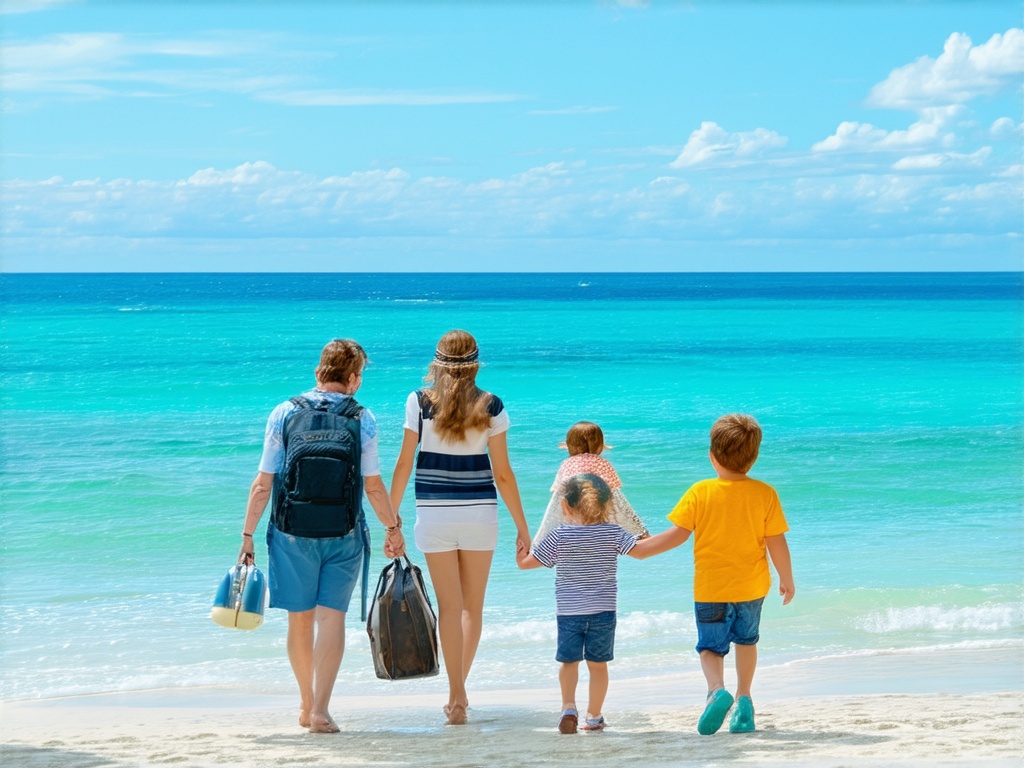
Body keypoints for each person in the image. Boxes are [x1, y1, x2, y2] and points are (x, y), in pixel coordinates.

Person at [238, 339, 405, 734]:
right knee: (331, 619)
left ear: (318, 372)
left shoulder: (284, 412)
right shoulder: (363, 418)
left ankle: (305, 703)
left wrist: (247, 535)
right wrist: (392, 528)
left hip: (291, 532)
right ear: (354, 379)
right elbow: (373, 486)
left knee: (300, 621)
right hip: (344, 532)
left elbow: (263, 483)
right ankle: (321, 710)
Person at [390, 329, 531, 725]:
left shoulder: (418, 402)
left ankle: (457, 695)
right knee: (472, 608)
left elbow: (404, 463)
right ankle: (457, 696)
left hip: (433, 515)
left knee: (449, 609)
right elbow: (503, 475)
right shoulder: (492, 404)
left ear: (436, 363)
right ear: (476, 364)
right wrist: (524, 528)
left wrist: (391, 518)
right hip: (479, 515)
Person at [631, 413, 795, 735]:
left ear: (712, 455)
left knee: (710, 647)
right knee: (746, 641)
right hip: (751, 588)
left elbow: (676, 536)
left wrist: (640, 549)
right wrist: (786, 579)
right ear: (754, 457)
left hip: (711, 589)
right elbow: (776, 541)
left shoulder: (700, 492)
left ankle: (716, 691)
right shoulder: (765, 493)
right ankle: (744, 700)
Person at [518, 473, 664, 734]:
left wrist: (520, 558)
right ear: (608, 506)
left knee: (569, 663)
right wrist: (680, 532)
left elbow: (528, 564)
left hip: (569, 613)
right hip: (603, 613)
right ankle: (594, 717)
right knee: (598, 666)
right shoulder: (613, 532)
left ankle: (568, 708)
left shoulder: (559, 535)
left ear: (565, 506)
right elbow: (642, 551)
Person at [534, 421, 649, 542]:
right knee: (620, 505)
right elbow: (614, 491)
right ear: (600, 445)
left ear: (569, 445)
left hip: (573, 510)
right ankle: (641, 536)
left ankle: (543, 544)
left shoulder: (567, 463)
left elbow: (559, 492)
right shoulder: (603, 463)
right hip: (598, 510)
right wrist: (636, 527)